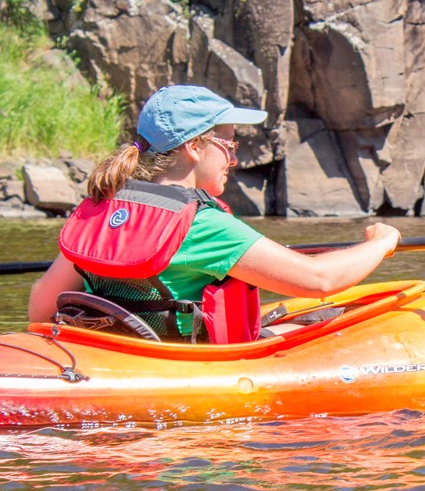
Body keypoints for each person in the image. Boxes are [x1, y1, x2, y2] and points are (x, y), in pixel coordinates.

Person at [28, 85, 400, 342]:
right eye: (228, 144)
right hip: (177, 364)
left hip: (114, 352)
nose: (234, 158)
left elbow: (41, 309)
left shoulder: (102, 208)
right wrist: (381, 244)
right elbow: (320, 279)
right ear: (194, 146)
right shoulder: (202, 223)